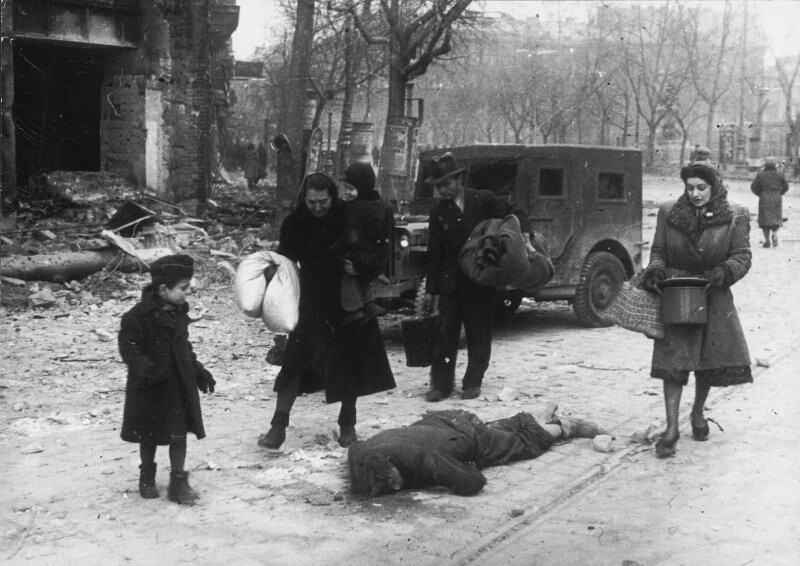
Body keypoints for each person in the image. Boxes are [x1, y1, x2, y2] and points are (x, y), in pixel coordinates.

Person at [259, 172, 396, 450]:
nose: (318, 207)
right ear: (304, 199)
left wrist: (358, 266)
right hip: (308, 300)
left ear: (332, 196)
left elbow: (370, 248)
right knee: (293, 363)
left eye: (323, 201)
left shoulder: (347, 215)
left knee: (348, 366)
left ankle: (348, 426)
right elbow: (285, 260)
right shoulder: (295, 222)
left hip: (345, 300)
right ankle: (278, 427)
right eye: (312, 202)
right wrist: (274, 274)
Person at [642, 161, 752, 458]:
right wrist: (655, 269)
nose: (695, 193)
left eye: (701, 188)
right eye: (689, 188)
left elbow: (742, 255)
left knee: (706, 361)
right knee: (672, 364)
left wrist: (725, 271)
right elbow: (659, 251)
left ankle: (698, 413)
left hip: (714, 295)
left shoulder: (736, 215)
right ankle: (671, 429)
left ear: (714, 187)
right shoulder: (668, 212)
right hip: (677, 293)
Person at [421, 152, 533, 402]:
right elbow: (435, 252)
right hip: (450, 284)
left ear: (459, 180)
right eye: (439, 187)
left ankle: (473, 382)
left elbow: (512, 211)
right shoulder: (438, 211)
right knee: (445, 335)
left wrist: (525, 233)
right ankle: (441, 385)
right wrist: (431, 289)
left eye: (447, 184)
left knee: (478, 333)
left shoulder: (482, 199)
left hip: (479, 281)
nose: (443, 190)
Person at [118, 254, 216, 504]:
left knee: (179, 434)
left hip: (178, 384)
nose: (187, 294)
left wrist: (198, 370)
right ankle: (147, 476)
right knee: (148, 434)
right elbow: (129, 350)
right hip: (151, 386)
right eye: (183, 289)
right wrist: (149, 370)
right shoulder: (136, 316)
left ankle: (178, 482)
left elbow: (184, 347)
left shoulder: (179, 312)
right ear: (163, 289)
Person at [348, 406, 603, 497]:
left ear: (391, 462)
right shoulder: (364, 453)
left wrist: (457, 468)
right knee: (496, 434)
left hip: (467, 433)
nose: (394, 489)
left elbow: (474, 483)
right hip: (443, 420)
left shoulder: (420, 459)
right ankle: (537, 418)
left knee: (523, 446)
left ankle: (563, 427)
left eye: (392, 481)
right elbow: (354, 449)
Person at [331, 162, 394, 325]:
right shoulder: (384, 206)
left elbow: (347, 237)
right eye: (345, 188)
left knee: (346, 272)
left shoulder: (356, 209)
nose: (348, 193)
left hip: (359, 258)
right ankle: (369, 303)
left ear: (363, 187)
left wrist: (333, 250)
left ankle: (354, 309)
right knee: (359, 276)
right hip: (377, 260)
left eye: (351, 189)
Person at [750, 156, 789, 248]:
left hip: (764, 197)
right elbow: (786, 187)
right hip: (776, 197)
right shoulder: (780, 174)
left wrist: (760, 193)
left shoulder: (761, 174)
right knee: (776, 218)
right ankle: (774, 234)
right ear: (775, 165)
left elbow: (753, 187)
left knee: (764, 219)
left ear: (765, 165)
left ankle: (767, 240)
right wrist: (780, 193)